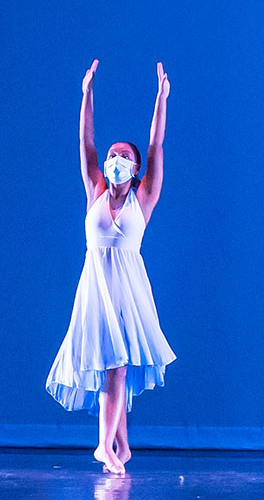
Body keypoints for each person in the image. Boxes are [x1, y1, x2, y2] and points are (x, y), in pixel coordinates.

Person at [46, 60, 177, 474]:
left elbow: (156, 144)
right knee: (110, 364)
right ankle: (119, 445)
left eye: (124, 156)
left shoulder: (144, 198)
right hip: (96, 286)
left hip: (128, 288)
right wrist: (86, 93)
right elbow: (86, 140)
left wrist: (161, 98)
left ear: (135, 169)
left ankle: (107, 445)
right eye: (113, 154)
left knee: (117, 363)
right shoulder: (96, 191)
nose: (116, 158)